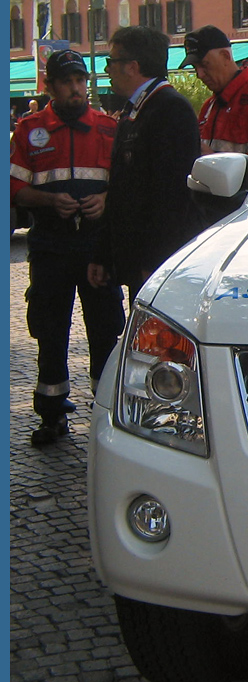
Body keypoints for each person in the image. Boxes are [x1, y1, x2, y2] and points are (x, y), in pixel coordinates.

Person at [10, 49, 126, 446]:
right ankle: (52, 414)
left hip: (98, 246)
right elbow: (15, 189)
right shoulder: (29, 130)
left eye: (81, 82)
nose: (77, 89)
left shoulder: (109, 128)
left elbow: (128, 184)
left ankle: (107, 412)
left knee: (106, 330)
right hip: (50, 246)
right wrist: (48, 201)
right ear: (50, 87)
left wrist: (107, 199)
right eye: (67, 82)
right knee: (50, 328)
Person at [88, 26, 202, 302]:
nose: (107, 70)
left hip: (157, 265)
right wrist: (103, 254)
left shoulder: (170, 109)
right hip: (136, 261)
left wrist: (154, 263)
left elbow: (172, 196)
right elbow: (120, 187)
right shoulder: (134, 109)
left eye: (110, 62)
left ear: (132, 66)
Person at [180, 25, 248, 178]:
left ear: (226, 56)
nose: (200, 74)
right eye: (195, 67)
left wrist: (216, 165)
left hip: (247, 198)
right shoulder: (209, 106)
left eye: (205, 65)